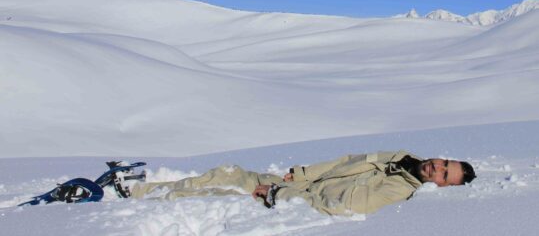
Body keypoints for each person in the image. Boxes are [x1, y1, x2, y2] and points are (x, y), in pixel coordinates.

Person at [131, 150, 476, 215]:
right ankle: (139, 191)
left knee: (219, 192)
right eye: (445, 163)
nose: (437, 168)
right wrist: (302, 173)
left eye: (445, 174)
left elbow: (344, 206)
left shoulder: (399, 189)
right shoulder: (404, 158)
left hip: (292, 199)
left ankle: (140, 198)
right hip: (300, 185)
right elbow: (346, 162)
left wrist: (281, 193)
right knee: (229, 173)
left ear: (442, 187)